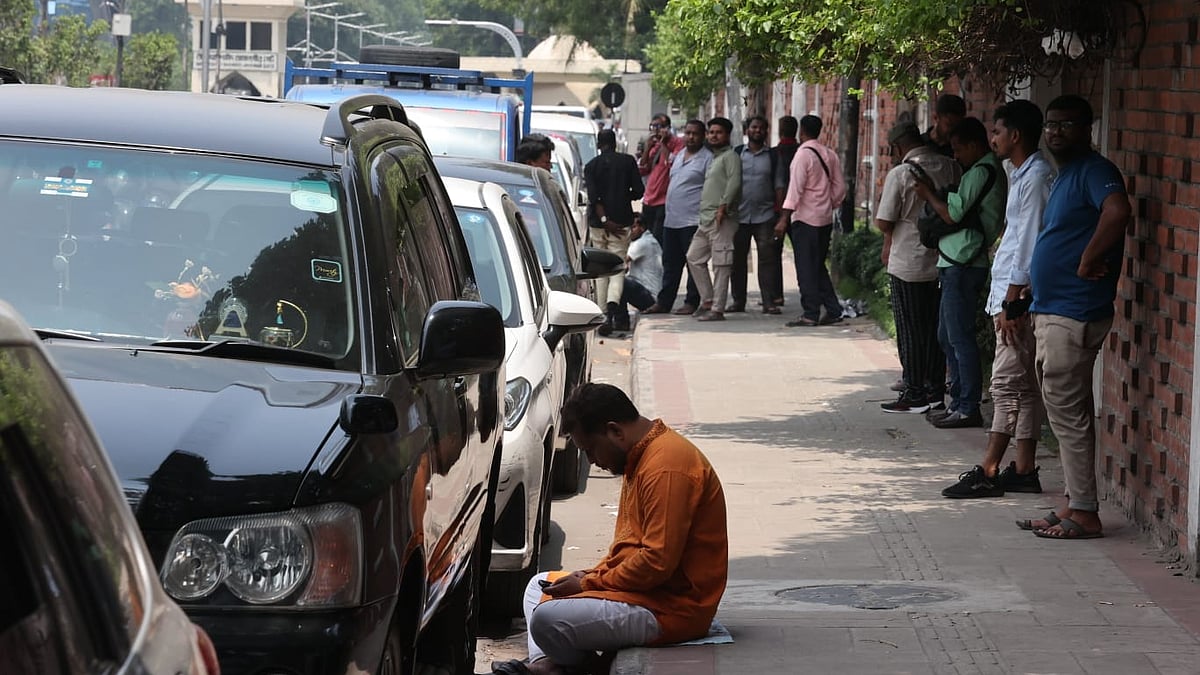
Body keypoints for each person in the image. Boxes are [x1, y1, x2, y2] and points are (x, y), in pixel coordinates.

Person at [492, 383, 727, 675]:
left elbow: (656, 563)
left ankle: (565, 668)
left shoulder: (666, 467)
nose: (592, 461)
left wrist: (589, 584)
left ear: (615, 431)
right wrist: (590, 576)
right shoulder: (640, 456)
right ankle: (548, 667)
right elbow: (629, 550)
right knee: (537, 587)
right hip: (643, 593)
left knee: (546, 619)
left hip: (673, 608)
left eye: (590, 449)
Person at [1017, 95, 1130, 539]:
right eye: (1051, 124)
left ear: (1088, 130)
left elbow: (1117, 211)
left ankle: (1084, 512)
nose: (1056, 132)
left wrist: (1088, 259)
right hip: (1055, 308)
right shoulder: (1067, 174)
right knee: (1068, 411)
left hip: (1075, 310)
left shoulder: (1096, 170)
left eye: (1067, 124)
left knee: (1067, 414)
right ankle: (1073, 503)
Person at [942, 100, 1055, 497]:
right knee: (1023, 387)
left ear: (1016, 135)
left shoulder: (1036, 177)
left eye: (997, 131)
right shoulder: (1020, 173)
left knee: (1006, 385)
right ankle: (1022, 469)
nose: (992, 139)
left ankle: (989, 470)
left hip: (1017, 297)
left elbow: (1029, 243)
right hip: (1010, 292)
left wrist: (1011, 300)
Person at [913, 117, 1008, 429]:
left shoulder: (982, 170)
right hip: (955, 261)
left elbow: (953, 214)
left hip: (964, 262)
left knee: (959, 337)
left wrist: (929, 195)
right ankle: (957, 402)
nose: (955, 156)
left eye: (958, 149)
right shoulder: (979, 170)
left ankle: (967, 406)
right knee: (947, 335)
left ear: (974, 145)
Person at [874, 120, 961, 414]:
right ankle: (935, 390)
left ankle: (914, 391)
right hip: (943, 258)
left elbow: (883, 221)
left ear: (898, 147)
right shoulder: (951, 167)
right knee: (936, 328)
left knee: (910, 329)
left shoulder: (901, 173)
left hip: (908, 263)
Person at [774, 114, 846, 327]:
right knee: (817, 266)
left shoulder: (803, 155)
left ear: (802, 131)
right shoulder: (830, 154)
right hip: (825, 218)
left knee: (806, 267)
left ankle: (810, 313)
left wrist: (783, 218)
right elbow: (840, 188)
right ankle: (833, 310)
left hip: (805, 219)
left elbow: (795, 189)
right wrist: (828, 203)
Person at [643, 120, 711, 315]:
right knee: (670, 264)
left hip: (692, 220)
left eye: (695, 134)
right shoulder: (680, 155)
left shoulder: (707, 159)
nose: (691, 137)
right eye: (687, 133)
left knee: (693, 263)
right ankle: (664, 302)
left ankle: (692, 301)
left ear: (703, 136)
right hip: (672, 219)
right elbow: (665, 164)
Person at [584, 129, 644, 336]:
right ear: (615, 143)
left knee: (601, 270)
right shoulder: (628, 162)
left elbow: (594, 198)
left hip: (598, 225)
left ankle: (602, 315)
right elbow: (639, 191)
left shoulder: (591, 166)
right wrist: (624, 196)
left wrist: (604, 220)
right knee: (617, 268)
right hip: (621, 223)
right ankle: (612, 310)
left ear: (598, 144)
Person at [686, 117, 742, 322]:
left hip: (722, 218)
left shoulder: (731, 157)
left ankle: (717, 309)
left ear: (727, 135)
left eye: (718, 132)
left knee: (721, 264)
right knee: (693, 257)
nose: (713, 136)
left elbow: (734, 183)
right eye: (711, 132)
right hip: (706, 219)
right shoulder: (715, 158)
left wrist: (723, 207)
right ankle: (708, 300)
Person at [729, 115, 786, 314]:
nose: (757, 131)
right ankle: (738, 301)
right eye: (754, 127)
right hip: (739, 216)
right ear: (747, 130)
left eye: (761, 128)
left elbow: (779, 185)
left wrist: (782, 216)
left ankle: (768, 301)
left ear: (766, 132)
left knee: (767, 260)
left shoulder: (773, 156)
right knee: (737, 260)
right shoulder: (737, 153)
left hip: (765, 216)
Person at [766, 115, 800, 311]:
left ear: (779, 131)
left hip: (776, 209)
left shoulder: (773, 153)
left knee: (773, 255)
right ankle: (809, 293)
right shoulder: (802, 151)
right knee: (802, 254)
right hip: (799, 210)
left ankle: (776, 296)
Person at [637, 113, 683, 243]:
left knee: (657, 238)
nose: (656, 131)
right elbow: (642, 168)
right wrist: (648, 148)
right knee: (646, 236)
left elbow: (672, 164)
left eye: (659, 127)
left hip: (664, 200)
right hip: (649, 198)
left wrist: (664, 143)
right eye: (653, 127)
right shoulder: (654, 145)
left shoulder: (677, 143)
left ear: (668, 128)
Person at [618, 214, 663, 319]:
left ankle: (621, 320)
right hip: (648, 294)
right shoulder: (648, 239)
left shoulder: (643, 242)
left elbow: (621, 262)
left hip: (650, 297)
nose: (630, 231)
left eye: (633, 227)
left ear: (642, 228)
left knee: (619, 281)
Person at [922, 94, 966, 158]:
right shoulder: (920, 144)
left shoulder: (961, 149)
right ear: (935, 117)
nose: (953, 130)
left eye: (958, 127)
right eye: (949, 125)